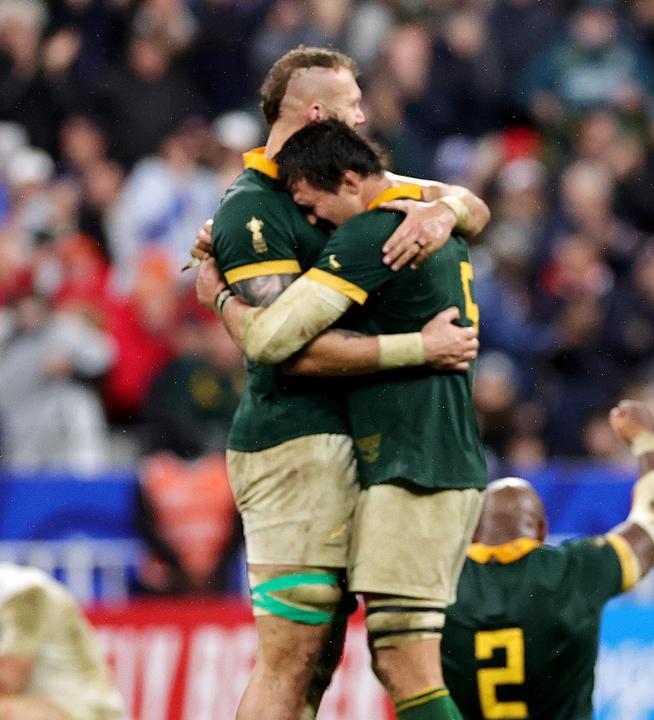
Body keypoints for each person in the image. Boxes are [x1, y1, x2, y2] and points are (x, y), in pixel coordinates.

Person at [196, 47, 487, 720]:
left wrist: (442, 212)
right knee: (293, 657)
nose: (365, 115)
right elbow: (277, 348)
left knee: (327, 658)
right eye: (354, 105)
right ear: (320, 113)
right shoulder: (255, 211)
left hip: (364, 444)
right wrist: (421, 347)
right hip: (293, 443)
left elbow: (467, 200)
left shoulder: (355, 193)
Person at [440, 400, 654, 720]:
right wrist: (647, 442)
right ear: (541, 529)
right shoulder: (577, 569)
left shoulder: (439, 581)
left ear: (471, 533)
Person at [0, 563, 123, 720]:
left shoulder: (23, 592)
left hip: (85, 711)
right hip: (45, 704)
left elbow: (6, 681)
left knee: (6, 713)